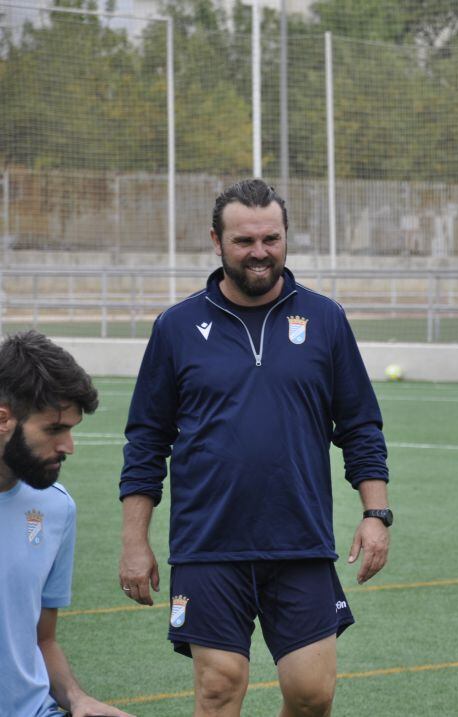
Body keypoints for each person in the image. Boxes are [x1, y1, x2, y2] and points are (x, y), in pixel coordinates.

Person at [118, 179, 393, 716]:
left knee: (312, 694)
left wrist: (375, 513)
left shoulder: (325, 319)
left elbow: (360, 424)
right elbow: (147, 441)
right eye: (244, 241)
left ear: (286, 238)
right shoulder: (176, 326)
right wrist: (135, 541)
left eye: (272, 238)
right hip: (209, 543)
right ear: (216, 242)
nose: (260, 251)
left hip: (300, 540)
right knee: (220, 687)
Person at [0, 331, 134, 717]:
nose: (68, 447)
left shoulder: (56, 509)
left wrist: (76, 699)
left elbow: (43, 638)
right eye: (54, 429)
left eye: (71, 429)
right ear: (4, 419)